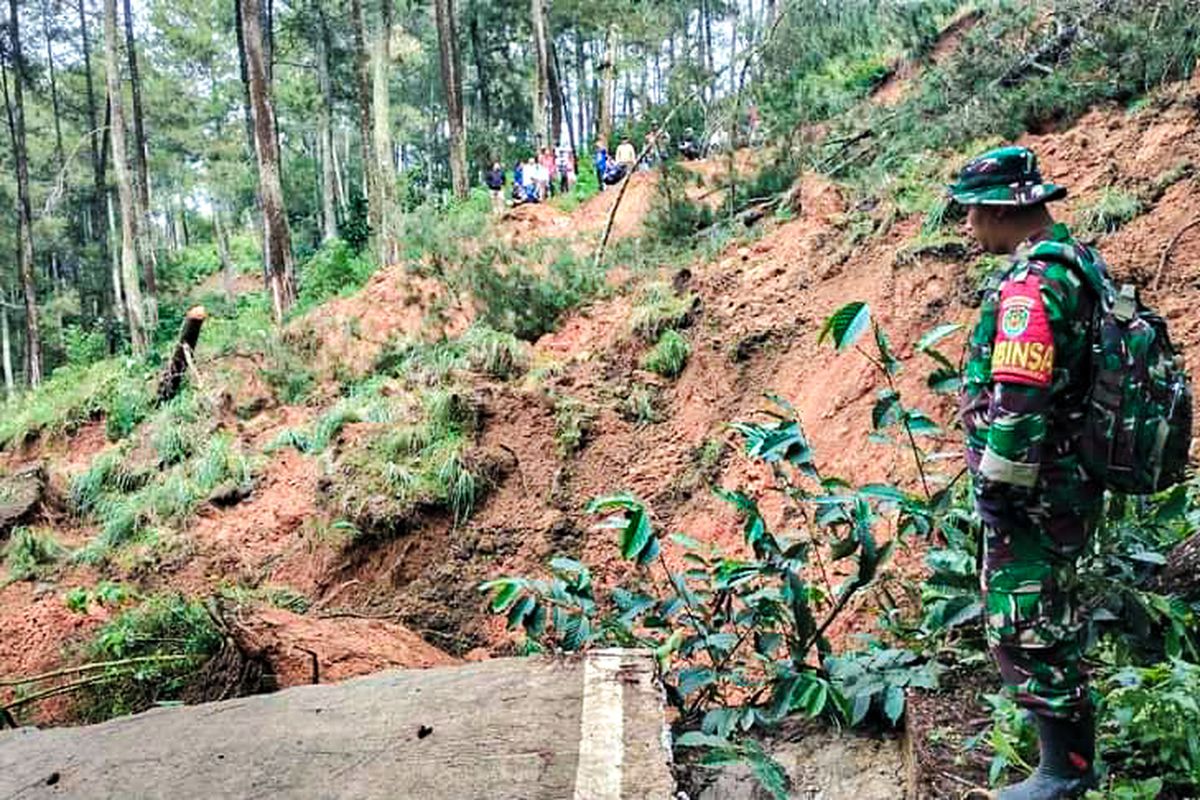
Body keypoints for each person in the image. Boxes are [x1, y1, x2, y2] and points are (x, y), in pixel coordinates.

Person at [953, 146, 1103, 799]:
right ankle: (1067, 766)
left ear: (999, 210)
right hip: (1069, 477)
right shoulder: (1076, 265)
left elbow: (1017, 400)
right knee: (1053, 611)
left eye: (969, 212)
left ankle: (1059, 775)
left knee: (1028, 619)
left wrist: (996, 488)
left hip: (1036, 490)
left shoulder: (1029, 289)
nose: (965, 227)